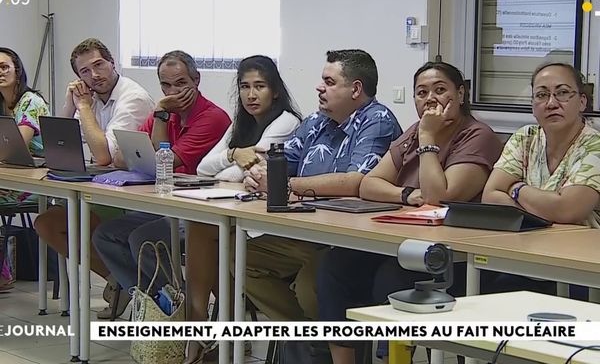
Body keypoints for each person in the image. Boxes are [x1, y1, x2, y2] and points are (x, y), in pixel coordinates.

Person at [317, 61, 503, 364]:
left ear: (460, 94)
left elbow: (440, 196)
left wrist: (428, 140)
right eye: (421, 92)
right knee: (335, 266)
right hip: (405, 239)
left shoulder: (476, 136)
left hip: (452, 253)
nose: (430, 99)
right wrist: (406, 194)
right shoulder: (415, 131)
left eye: (440, 90)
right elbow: (369, 184)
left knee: (391, 279)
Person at [242, 49, 402, 324]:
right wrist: (258, 175)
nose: (319, 87)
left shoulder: (377, 120)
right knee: (240, 259)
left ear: (356, 89)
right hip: (306, 232)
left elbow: (357, 182)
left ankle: (322, 344)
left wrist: (287, 184)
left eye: (329, 82)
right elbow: (279, 163)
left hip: (349, 241)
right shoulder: (316, 122)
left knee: (311, 284)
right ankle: (305, 337)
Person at [92, 50, 230, 320]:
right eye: (166, 85)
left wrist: (160, 115)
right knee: (105, 235)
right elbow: (121, 157)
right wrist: (161, 115)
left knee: (142, 238)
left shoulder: (212, 117)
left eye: (181, 83)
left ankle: (187, 308)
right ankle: (158, 302)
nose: (173, 91)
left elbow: (162, 161)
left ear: (196, 80)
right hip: (163, 203)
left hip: (197, 211)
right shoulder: (165, 112)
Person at [183, 55, 302, 363]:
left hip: (269, 223)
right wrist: (235, 152)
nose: (251, 95)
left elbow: (240, 174)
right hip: (239, 216)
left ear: (275, 91)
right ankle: (213, 331)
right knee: (202, 231)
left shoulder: (286, 122)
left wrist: (233, 160)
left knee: (207, 236)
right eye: (245, 87)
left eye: (259, 86)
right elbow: (203, 168)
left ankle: (209, 332)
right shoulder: (241, 123)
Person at [34, 38, 154, 303]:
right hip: (104, 188)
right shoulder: (92, 97)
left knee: (77, 223)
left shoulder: (132, 97)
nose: (94, 75)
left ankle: (133, 288)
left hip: (136, 196)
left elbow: (103, 156)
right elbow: (53, 147)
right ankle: (118, 282)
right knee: (45, 223)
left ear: (113, 63)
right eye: (84, 72)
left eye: (99, 65)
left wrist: (84, 107)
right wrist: (70, 103)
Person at [483, 62, 600, 225]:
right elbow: (490, 196)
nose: (551, 103)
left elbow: (568, 210)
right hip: (527, 241)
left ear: (582, 102)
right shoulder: (525, 137)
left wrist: (516, 189)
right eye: (541, 95)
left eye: (563, 93)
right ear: (532, 105)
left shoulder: (595, 145)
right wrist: (545, 211)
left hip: (580, 248)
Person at [0, 47, 49, 292]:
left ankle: (3, 271)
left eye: (4, 67)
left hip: (39, 181)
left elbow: (17, 145)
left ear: (17, 72)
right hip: (9, 178)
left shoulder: (31, 102)